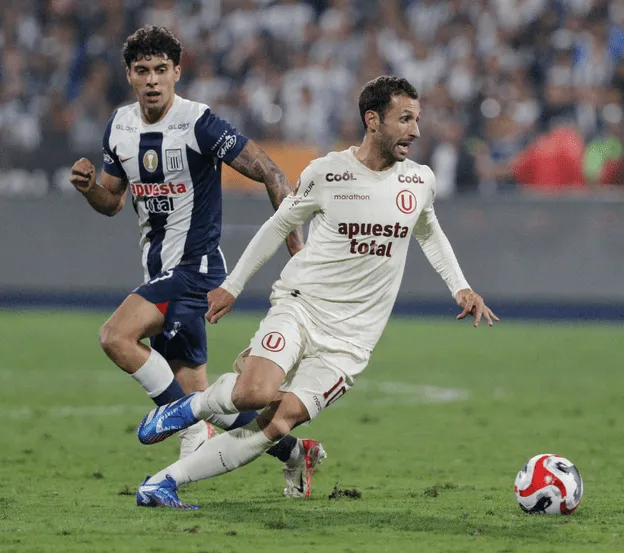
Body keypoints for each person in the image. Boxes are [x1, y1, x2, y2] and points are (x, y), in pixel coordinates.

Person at [134, 75, 499, 509]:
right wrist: (232, 286)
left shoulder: (419, 182)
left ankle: (164, 482)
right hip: (301, 306)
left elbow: (430, 231)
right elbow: (279, 225)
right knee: (254, 392)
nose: (415, 131)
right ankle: (190, 408)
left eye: (417, 120)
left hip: (350, 342)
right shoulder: (327, 172)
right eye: (405, 119)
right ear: (373, 120)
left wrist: (461, 287)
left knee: (277, 422)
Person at [68, 25, 324, 498]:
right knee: (206, 400)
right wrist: (90, 190)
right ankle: (294, 451)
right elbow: (112, 202)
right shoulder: (120, 127)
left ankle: (184, 428)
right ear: (129, 75)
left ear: (176, 72)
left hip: (195, 269)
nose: (151, 80)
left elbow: (269, 170)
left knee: (115, 336)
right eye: (142, 70)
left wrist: (299, 256)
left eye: (161, 70)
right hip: (158, 269)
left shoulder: (198, 123)